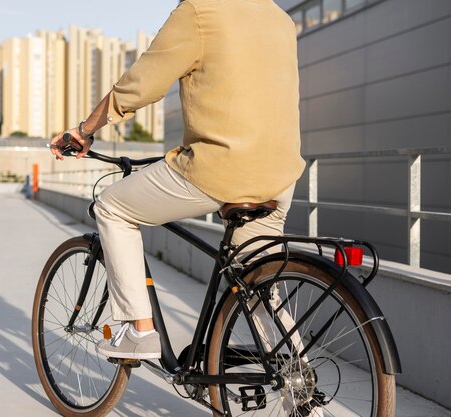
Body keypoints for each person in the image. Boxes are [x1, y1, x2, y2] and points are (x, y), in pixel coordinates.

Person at [49, 0, 304, 361]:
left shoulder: (200, 11)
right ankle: (301, 386)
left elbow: (141, 86)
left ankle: (139, 331)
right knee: (259, 285)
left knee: (111, 206)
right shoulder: (279, 17)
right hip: (280, 175)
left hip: (220, 169)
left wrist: (83, 130)